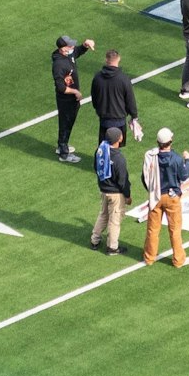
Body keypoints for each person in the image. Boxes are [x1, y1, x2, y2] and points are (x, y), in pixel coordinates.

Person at [141, 126, 189, 268]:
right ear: (170, 141)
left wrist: (151, 191)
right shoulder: (176, 158)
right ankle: (178, 260)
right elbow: (184, 175)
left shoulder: (152, 157)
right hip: (172, 197)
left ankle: (149, 257)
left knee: (153, 229)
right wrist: (187, 160)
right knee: (175, 230)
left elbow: (144, 177)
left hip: (156, 197)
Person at [50, 34, 93, 164]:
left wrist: (85, 46)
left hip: (71, 99)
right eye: (70, 45)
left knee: (67, 123)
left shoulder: (68, 55)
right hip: (66, 100)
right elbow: (61, 87)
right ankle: (64, 153)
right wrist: (75, 91)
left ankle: (62, 145)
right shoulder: (59, 65)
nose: (72, 47)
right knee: (66, 124)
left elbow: (77, 52)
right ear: (63, 48)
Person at [89, 49, 140, 148]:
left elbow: (94, 97)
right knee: (116, 147)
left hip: (104, 119)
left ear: (106, 60)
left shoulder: (97, 77)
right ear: (119, 59)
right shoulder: (123, 79)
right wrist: (134, 116)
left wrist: (99, 109)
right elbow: (130, 100)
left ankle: (102, 162)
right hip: (119, 119)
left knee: (103, 146)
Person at [92, 125, 130, 254]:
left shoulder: (100, 150)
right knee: (115, 220)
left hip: (103, 189)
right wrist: (127, 195)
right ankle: (112, 247)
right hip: (115, 194)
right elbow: (122, 180)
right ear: (119, 139)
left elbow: (96, 167)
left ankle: (94, 240)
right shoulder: (119, 158)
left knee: (103, 215)